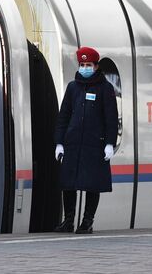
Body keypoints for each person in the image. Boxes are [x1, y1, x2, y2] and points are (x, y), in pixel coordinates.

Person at [53, 46, 118, 234]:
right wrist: (59, 142)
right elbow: (63, 115)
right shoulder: (73, 87)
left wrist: (109, 143)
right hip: (73, 144)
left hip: (94, 145)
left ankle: (87, 221)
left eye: (88, 65)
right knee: (69, 183)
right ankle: (69, 221)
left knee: (92, 184)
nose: (85, 68)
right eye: (82, 64)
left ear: (96, 66)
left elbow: (111, 118)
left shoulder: (105, 89)